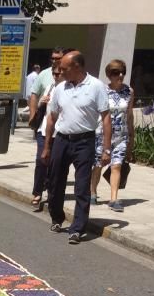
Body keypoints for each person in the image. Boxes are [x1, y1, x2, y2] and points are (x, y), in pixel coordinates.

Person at [42, 51, 112, 245]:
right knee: (55, 182)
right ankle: (57, 217)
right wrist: (47, 146)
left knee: (82, 187)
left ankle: (77, 229)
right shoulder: (60, 88)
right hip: (62, 140)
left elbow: (106, 118)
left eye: (64, 68)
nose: (60, 71)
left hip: (84, 141)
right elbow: (52, 118)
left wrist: (107, 149)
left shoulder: (96, 86)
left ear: (77, 67)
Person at [90, 60, 134, 212]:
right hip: (102, 135)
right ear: (109, 75)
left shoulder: (129, 91)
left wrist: (131, 136)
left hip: (121, 135)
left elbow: (129, 115)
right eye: (116, 72)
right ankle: (92, 192)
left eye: (122, 72)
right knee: (98, 165)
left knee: (116, 166)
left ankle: (114, 199)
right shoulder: (102, 90)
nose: (120, 75)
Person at [31, 66, 63, 211]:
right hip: (43, 130)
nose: (56, 76)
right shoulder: (50, 87)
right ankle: (37, 192)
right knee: (40, 160)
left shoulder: (67, 89)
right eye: (54, 74)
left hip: (59, 132)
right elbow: (39, 105)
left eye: (58, 74)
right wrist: (41, 102)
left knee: (54, 165)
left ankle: (51, 193)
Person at [28, 47, 70, 129]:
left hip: (61, 122)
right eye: (52, 58)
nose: (54, 61)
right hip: (43, 120)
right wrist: (32, 117)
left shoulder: (68, 74)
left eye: (57, 58)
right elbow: (34, 95)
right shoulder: (44, 74)